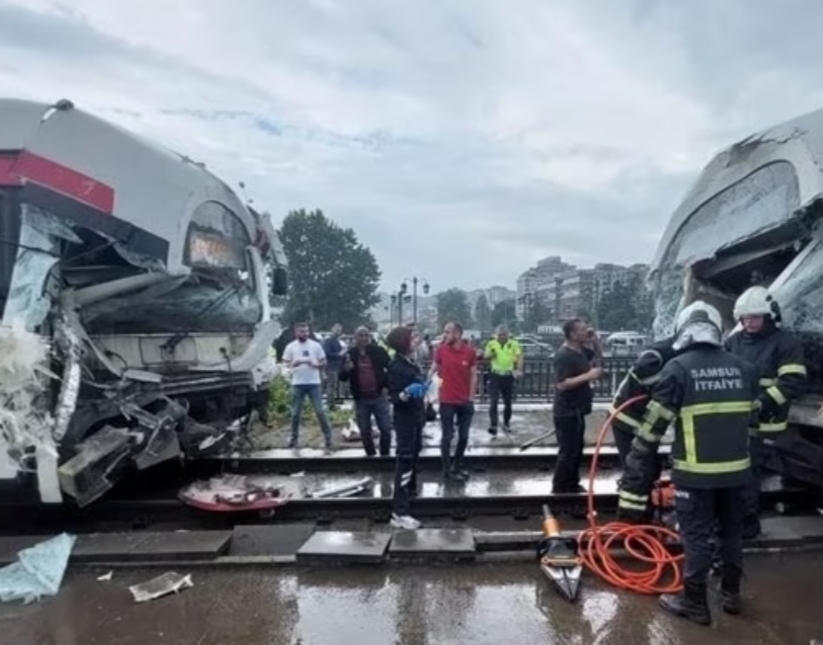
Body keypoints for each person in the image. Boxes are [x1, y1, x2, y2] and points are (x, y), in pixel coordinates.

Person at [618, 301, 758, 625]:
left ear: (683, 330)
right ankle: (730, 594)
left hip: (696, 476)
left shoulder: (678, 369)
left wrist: (635, 471)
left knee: (695, 537)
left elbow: (653, 428)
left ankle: (694, 602)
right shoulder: (744, 368)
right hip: (738, 472)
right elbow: (754, 422)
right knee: (731, 533)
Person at [725, 286, 807, 539]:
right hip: (735, 420)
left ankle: (748, 525)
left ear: (769, 316)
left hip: (766, 423)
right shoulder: (733, 342)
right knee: (734, 473)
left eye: (755, 317)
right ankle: (733, 521)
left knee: (749, 475)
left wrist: (761, 404)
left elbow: (792, 382)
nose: (749, 322)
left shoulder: (786, 344)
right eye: (745, 318)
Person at [609, 337, 676, 471]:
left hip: (647, 422)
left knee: (650, 467)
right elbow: (642, 370)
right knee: (636, 469)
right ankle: (630, 488)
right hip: (627, 418)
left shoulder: (676, 352)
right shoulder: (660, 351)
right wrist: (669, 381)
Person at [552, 319, 603, 493]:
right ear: (572, 335)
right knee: (567, 451)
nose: (586, 331)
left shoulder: (580, 350)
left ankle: (572, 483)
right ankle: (559, 487)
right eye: (582, 330)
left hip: (578, 410)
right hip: (566, 410)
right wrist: (588, 376)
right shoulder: (564, 356)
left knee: (577, 449)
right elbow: (562, 384)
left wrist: (595, 340)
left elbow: (598, 356)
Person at [386, 326, 428, 530]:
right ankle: (399, 512)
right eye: (412, 338)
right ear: (402, 343)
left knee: (413, 458)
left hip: (416, 417)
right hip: (405, 420)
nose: (416, 340)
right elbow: (395, 397)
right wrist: (406, 393)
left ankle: (409, 496)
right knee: (404, 461)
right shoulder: (396, 366)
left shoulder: (411, 362)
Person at [431, 322, 477, 481]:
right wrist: (428, 387)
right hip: (447, 400)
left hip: (464, 401)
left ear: (458, 334)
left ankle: (457, 464)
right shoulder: (441, 350)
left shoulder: (469, 352)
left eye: (448, 332)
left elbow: (473, 376)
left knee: (463, 436)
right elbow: (434, 369)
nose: (445, 335)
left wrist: (471, 397)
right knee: (447, 436)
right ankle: (446, 469)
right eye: (444, 332)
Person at [339, 326, 393, 456]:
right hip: (361, 399)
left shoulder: (378, 351)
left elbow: (391, 369)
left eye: (366, 335)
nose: (363, 338)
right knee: (364, 430)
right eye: (360, 335)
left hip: (379, 396)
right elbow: (342, 377)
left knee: (385, 428)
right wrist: (347, 369)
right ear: (355, 337)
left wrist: (387, 387)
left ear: (370, 337)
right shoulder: (349, 354)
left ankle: (385, 455)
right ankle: (370, 455)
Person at [282, 322, 334, 451]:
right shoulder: (291, 347)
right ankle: (294, 439)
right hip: (297, 383)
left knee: (320, 411)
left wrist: (316, 364)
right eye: (301, 331)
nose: (304, 334)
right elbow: (284, 364)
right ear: (296, 333)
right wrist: (293, 364)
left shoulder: (315, 346)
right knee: (295, 413)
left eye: (306, 331)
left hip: (313, 383)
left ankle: (328, 438)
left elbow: (324, 361)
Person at [484, 325, 523, 437]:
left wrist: (519, 369)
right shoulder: (492, 343)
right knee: (494, 401)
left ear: (508, 335)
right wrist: (490, 355)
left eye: (504, 335)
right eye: (499, 335)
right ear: (496, 334)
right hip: (495, 375)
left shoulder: (514, 343)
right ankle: (493, 425)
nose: (501, 337)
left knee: (508, 402)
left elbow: (519, 356)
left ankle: (506, 423)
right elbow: (486, 356)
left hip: (508, 376)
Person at [322, 323, 346, 411]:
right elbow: (326, 353)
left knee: (334, 386)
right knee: (331, 386)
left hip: (336, 366)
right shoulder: (329, 340)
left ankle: (332, 403)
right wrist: (339, 354)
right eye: (337, 329)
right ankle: (330, 405)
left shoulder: (336, 340)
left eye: (340, 329)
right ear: (332, 329)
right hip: (330, 366)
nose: (338, 331)